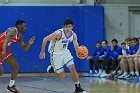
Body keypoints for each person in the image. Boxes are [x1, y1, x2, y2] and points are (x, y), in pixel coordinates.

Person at [39, 18, 86, 93]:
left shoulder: (73, 35)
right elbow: (45, 39)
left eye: (69, 27)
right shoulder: (58, 33)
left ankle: (78, 87)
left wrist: (80, 51)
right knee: (62, 76)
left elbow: (76, 44)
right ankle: (52, 68)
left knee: (72, 68)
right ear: (64, 27)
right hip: (55, 54)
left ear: (72, 27)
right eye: (66, 27)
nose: (68, 28)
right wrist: (42, 51)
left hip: (65, 52)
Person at [0, 20, 35, 93]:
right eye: (24, 26)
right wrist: (3, 50)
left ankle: (11, 86)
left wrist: (29, 43)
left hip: (3, 49)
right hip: (3, 49)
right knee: (1, 71)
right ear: (19, 26)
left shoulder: (19, 37)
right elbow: (6, 40)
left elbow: (24, 49)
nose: (25, 28)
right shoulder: (13, 30)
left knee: (15, 66)